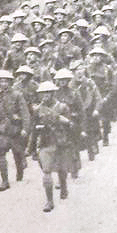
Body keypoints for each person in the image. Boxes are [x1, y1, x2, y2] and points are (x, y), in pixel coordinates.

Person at [26, 81, 77, 213]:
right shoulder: (38, 110)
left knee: (61, 170)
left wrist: (60, 120)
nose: (45, 96)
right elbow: (33, 129)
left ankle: (64, 186)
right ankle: (49, 201)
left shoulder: (62, 107)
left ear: (53, 93)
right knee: (46, 171)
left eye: (48, 93)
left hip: (61, 142)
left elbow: (70, 125)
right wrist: (30, 147)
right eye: (42, 93)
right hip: (46, 142)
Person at [0, 69, 30, 191]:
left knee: (17, 153)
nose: (3, 83)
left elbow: (25, 113)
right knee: (1, 154)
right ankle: (5, 181)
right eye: (1, 81)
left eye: (6, 81)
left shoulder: (17, 95)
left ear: (10, 82)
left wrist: (25, 128)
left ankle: (20, 171)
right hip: (0, 129)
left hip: (14, 129)